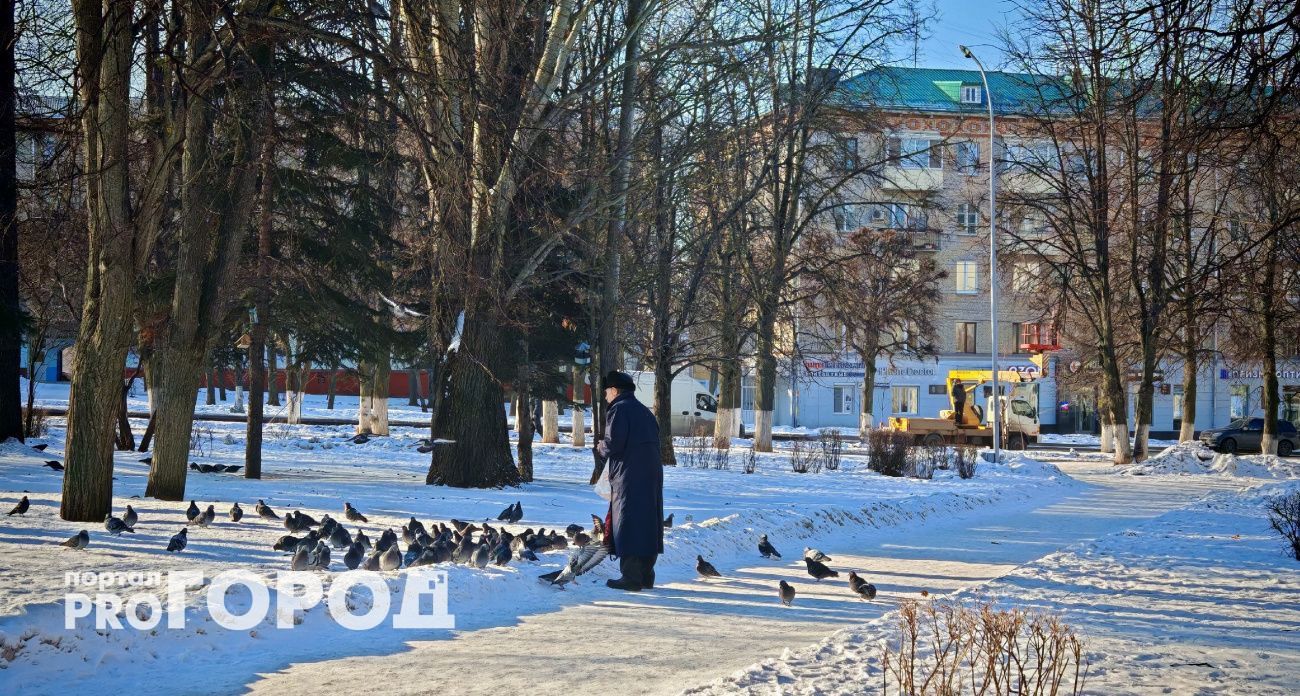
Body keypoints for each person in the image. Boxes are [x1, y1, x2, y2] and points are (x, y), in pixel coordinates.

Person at [594, 370, 664, 591]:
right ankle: (646, 575)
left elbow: (614, 443)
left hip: (628, 475)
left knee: (628, 522)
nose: (606, 396)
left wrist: (600, 447)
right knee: (648, 521)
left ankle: (631, 577)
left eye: (606, 391)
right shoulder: (645, 411)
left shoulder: (619, 410)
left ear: (614, 390)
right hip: (651, 474)